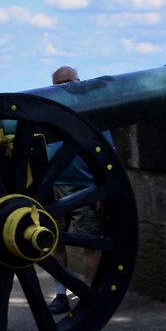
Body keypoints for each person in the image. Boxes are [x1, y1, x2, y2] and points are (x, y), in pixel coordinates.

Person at [47, 65, 107, 315]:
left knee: (90, 244)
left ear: (79, 82)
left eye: (69, 82)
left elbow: (106, 153)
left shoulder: (93, 112)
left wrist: (103, 189)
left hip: (86, 187)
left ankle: (88, 292)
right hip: (53, 185)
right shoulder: (48, 112)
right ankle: (61, 295)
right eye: (59, 84)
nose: (65, 87)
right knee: (52, 242)